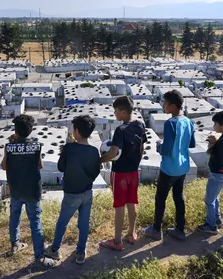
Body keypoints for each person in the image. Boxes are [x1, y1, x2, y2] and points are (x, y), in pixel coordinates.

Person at [1, 114, 55, 268]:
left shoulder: (9, 146)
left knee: (14, 218)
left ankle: (15, 244)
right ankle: (39, 257)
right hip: (33, 190)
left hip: (16, 189)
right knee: (35, 223)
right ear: (30, 131)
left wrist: (9, 148)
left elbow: (4, 166)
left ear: (15, 131)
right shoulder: (36, 146)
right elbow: (40, 166)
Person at [45, 115, 100, 265]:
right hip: (87, 192)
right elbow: (96, 172)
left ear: (76, 131)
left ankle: (55, 249)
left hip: (71, 193)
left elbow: (61, 167)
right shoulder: (94, 151)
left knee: (63, 221)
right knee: (84, 223)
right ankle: (81, 252)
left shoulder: (70, 148)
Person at [144, 90, 196, 241]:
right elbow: (191, 144)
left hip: (169, 168)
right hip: (183, 167)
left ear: (172, 106)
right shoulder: (188, 122)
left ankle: (156, 229)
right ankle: (180, 229)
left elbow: (166, 150)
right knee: (178, 197)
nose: (163, 105)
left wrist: (159, 147)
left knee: (160, 198)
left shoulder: (170, 124)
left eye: (165, 103)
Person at [100, 96, 147, 250]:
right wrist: (135, 163)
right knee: (132, 203)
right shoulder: (140, 126)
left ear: (123, 112)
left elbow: (113, 152)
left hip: (119, 173)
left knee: (119, 206)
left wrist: (100, 160)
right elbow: (142, 149)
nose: (114, 114)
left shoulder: (120, 130)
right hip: (134, 172)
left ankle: (117, 241)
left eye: (116, 112)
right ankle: (131, 234)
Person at [198, 110, 223, 235]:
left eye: (215, 124)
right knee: (215, 198)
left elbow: (216, 159)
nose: (214, 127)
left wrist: (213, 144)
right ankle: (217, 220)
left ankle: (211, 226)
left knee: (209, 201)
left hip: (217, 175)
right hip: (221, 174)